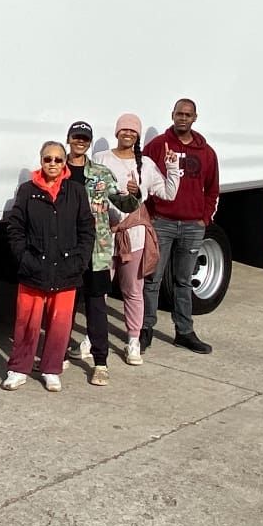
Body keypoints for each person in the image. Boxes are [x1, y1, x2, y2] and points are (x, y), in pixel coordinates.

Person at [2, 140, 95, 392]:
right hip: (33, 267)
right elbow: (15, 227)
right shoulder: (27, 190)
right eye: (47, 159)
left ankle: (51, 369)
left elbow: (87, 228)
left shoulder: (75, 191)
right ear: (41, 161)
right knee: (26, 323)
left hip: (67, 269)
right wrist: (23, 257)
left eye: (57, 159)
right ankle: (18, 368)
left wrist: (80, 260)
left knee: (60, 324)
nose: (52, 164)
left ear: (65, 163)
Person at [92, 113, 183, 366]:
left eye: (133, 131)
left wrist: (172, 167)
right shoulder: (101, 159)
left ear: (137, 136)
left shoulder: (147, 165)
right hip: (105, 235)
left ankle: (133, 339)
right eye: (124, 130)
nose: (128, 134)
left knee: (133, 290)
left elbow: (169, 193)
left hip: (135, 236)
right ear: (116, 132)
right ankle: (93, 336)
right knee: (99, 289)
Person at [62, 121, 138, 387]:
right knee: (64, 307)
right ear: (69, 139)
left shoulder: (102, 173)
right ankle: (58, 356)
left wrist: (133, 194)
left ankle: (100, 362)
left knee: (96, 307)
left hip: (96, 251)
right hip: (66, 251)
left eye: (84, 138)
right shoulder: (58, 170)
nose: (80, 142)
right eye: (76, 137)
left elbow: (124, 203)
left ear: (89, 142)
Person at [141, 98, 219, 355]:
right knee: (152, 278)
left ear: (195, 117)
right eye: (178, 113)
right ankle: (145, 329)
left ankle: (184, 332)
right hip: (162, 222)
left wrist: (204, 218)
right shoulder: (157, 146)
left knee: (184, 281)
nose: (182, 118)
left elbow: (212, 190)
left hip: (192, 226)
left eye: (187, 114)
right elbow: (144, 178)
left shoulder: (206, 152)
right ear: (172, 115)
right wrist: (150, 215)